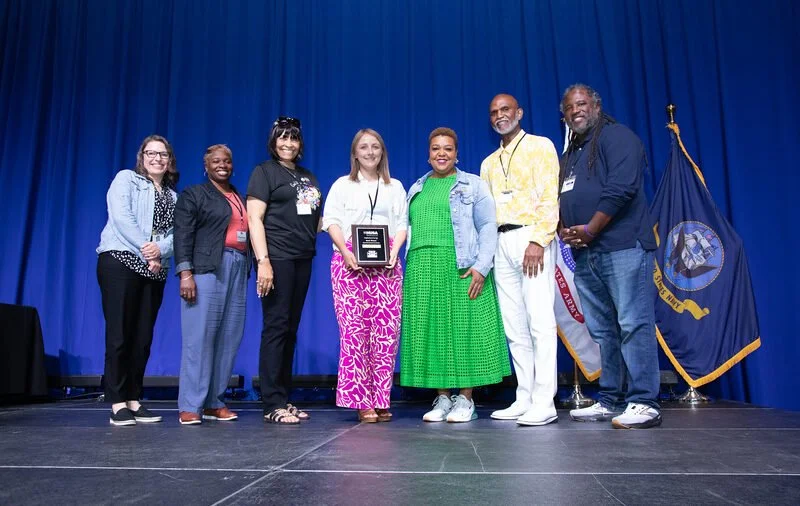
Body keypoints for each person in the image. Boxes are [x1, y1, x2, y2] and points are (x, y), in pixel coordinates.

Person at [558, 83, 662, 429]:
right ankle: (610, 398)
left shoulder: (618, 137)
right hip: (587, 253)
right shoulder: (573, 151)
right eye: (570, 107)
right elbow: (565, 197)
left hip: (622, 247)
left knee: (633, 323)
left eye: (582, 103)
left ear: (597, 106)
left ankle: (644, 400)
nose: (576, 110)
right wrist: (566, 229)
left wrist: (591, 228)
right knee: (604, 330)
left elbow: (622, 188)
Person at [399, 127, 510, 423]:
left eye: (447, 148)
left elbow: (488, 226)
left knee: (464, 331)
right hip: (423, 267)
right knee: (433, 330)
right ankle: (443, 398)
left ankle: (466, 399)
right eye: (436, 148)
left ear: (457, 153)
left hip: (460, 265)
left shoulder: (472, 185)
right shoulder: (416, 188)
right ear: (428, 154)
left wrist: (481, 266)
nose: (441, 153)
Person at [479, 94, 560, 426]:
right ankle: (524, 396)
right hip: (501, 241)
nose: (500, 116)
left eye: (505, 110)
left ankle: (545, 400)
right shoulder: (488, 162)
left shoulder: (540, 146)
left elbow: (550, 196)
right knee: (514, 325)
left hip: (531, 238)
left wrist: (539, 240)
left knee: (539, 320)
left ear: (519, 113)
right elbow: (485, 214)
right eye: (494, 112)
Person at [322, 129, 407, 423]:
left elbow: (401, 224)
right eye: (364, 147)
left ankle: (381, 399)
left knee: (385, 335)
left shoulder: (394, 186)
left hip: (387, 267)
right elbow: (330, 220)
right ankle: (361, 399)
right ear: (355, 153)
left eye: (375, 147)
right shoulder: (342, 185)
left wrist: (394, 252)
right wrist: (346, 254)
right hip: (349, 264)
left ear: (382, 152)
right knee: (355, 334)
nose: (370, 152)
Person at [96, 134, 178, 426]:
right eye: (151, 153)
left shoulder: (173, 196)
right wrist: (147, 249)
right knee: (120, 334)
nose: (157, 158)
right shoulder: (126, 180)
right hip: (120, 260)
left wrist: (160, 251)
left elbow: (175, 236)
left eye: (163, 154)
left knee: (142, 337)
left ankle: (134, 397)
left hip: (155, 268)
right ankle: (117, 402)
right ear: (142, 156)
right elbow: (122, 218)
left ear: (169, 161)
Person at [247, 117, 323, 425]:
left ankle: (284, 395)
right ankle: (271, 402)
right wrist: (263, 261)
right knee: (276, 326)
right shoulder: (264, 172)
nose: (288, 143)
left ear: (300, 144)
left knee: (290, 328)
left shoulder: (308, 176)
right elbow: (254, 219)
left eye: (293, 139)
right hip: (276, 257)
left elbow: (316, 219)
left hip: (303, 256)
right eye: (282, 138)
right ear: (274, 141)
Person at [173, 144, 250, 425]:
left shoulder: (239, 197)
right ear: (206, 167)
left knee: (230, 338)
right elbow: (182, 235)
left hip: (239, 266)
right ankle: (191, 404)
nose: (223, 165)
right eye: (216, 161)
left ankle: (214, 401)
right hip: (207, 268)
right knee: (200, 338)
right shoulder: (195, 194)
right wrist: (185, 273)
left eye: (227, 161)